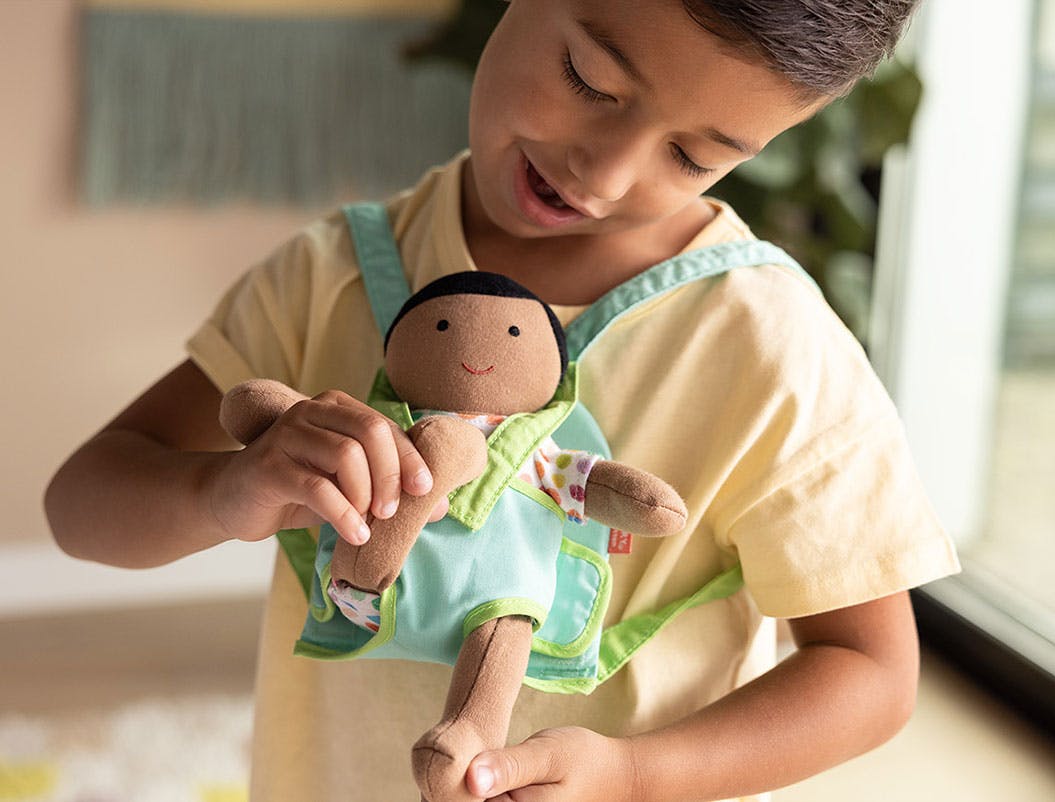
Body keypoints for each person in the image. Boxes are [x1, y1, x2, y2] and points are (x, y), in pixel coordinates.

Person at [45, 1, 961, 800]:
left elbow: (872, 672)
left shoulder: (773, 350)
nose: (603, 174)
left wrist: (637, 777)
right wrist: (222, 495)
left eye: (690, 156)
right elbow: (83, 506)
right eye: (590, 79)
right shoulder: (328, 278)